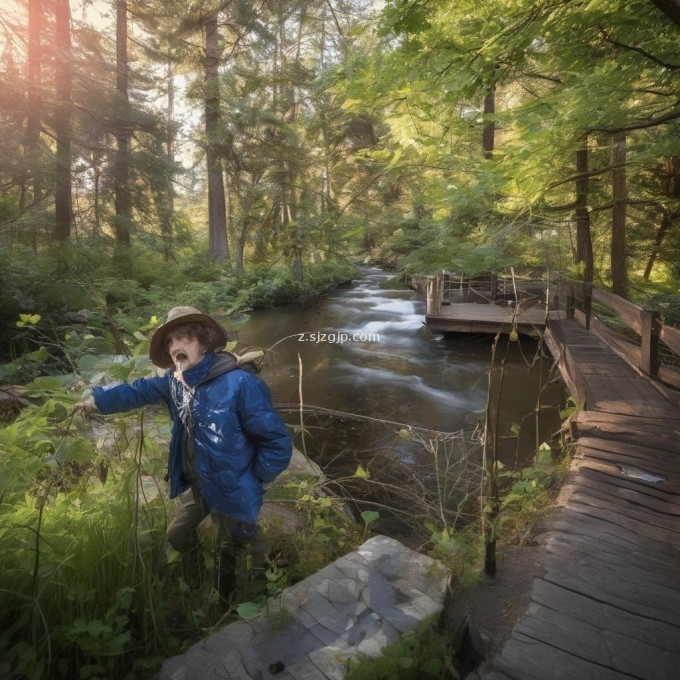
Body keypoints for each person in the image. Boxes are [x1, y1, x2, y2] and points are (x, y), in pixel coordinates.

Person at [78, 306, 292, 603]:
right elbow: (136, 391)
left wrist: (255, 478)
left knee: (240, 545)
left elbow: (277, 442)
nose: (175, 347)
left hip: (233, 486)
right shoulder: (175, 382)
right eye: (170, 342)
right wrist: (95, 402)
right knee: (178, 535)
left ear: (203, 343)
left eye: (184, 338)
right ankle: (200, 583)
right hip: (198, 484)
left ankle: (253, 604)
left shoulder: (240, 384)